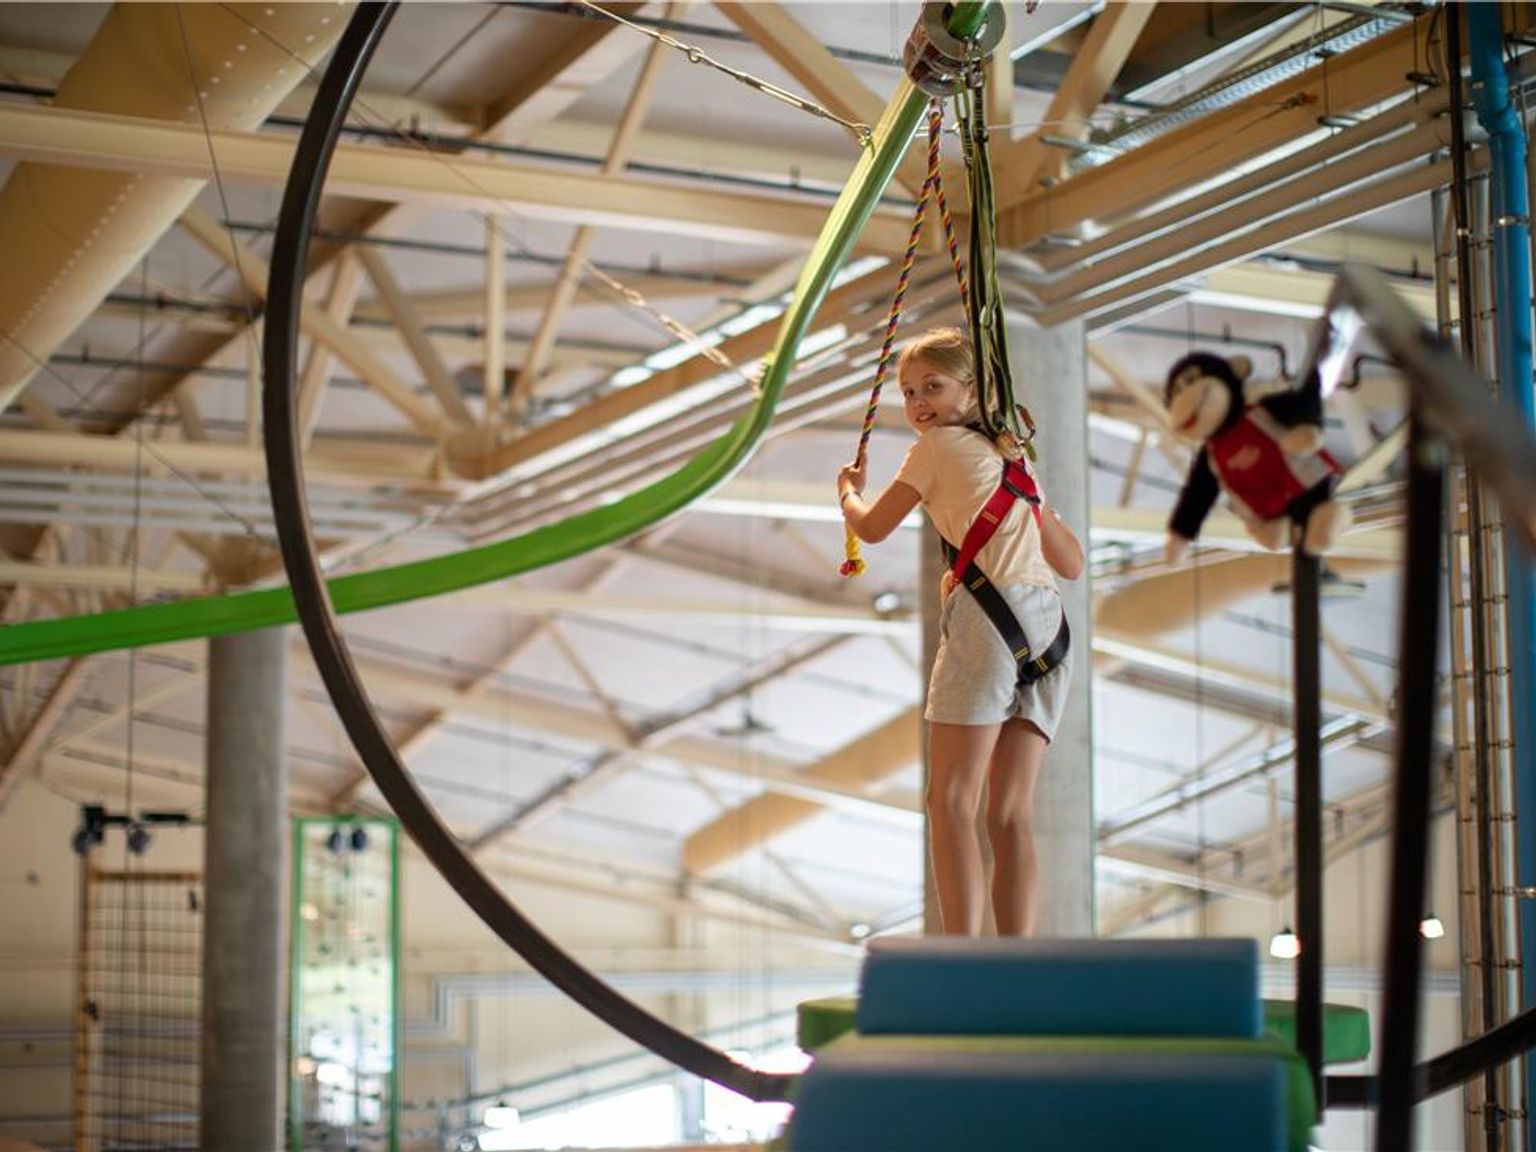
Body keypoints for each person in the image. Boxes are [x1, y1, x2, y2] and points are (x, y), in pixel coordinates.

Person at [836, 328, 1083, 937]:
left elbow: (872, 528)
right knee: (1009, 812)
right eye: (910, 392)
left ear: (969, 391)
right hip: (1049, 631)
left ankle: (961, 953)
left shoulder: (937, 447)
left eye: (934, 387)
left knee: (949, 802)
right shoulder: (1015, 460)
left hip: (987, 622)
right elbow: (1071, 564)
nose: (920, 403)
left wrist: (847, 493)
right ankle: (1017, 954)